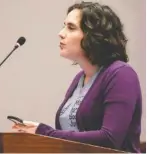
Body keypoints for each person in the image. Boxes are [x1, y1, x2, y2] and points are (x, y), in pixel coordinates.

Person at [12, 1, 142, 153]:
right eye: (64, 25)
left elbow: (110, 139)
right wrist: (35, 131)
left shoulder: (121, 74)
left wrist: (44, 133)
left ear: (94, 36)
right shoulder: (79, 79)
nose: (61, 33)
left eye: (71, 27)